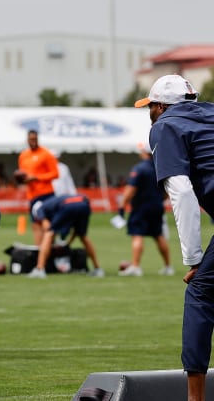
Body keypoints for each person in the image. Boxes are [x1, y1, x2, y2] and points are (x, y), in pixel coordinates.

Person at [136, 74, 213, 401]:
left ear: (160, 106)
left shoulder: (166, 126)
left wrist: (194, 259)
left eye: (150, 107)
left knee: (201, 294)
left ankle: (194, 397)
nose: (149, 114)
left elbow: (181, 192)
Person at [117, 141, 172, 277]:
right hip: (157, 206)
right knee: (158, 235)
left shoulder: (139, 168)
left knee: (137, 234)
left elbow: (130, 189)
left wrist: (122, 204)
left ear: (144, 153)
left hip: (141, 207)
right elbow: (166, 191)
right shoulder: (161, 167)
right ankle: (168, 266)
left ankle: (135, 266)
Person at [26, 194, 104, 278]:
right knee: (83, 236)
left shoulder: (40, 210)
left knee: (49, 234)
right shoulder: (52, 203)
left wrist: (50, 238)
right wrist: (68, 243)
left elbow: (47, 227)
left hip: (67, 205)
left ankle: (39, 269)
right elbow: (76, 232)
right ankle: (98, 269)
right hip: (84, 204)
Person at [14, 130, 59, 245]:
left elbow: (55, 173)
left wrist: (37, 177)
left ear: (38, 139)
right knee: (35, 224)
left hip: (46, 194)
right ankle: (39, 251)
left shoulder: (46, 154)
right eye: (31, 139)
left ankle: (49, 249)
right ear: (27, 140)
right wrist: (21, 180)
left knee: (48, 224)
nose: (33, 142)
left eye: (35, 139)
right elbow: (23, 174)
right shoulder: (23, 155)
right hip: (32, 195)